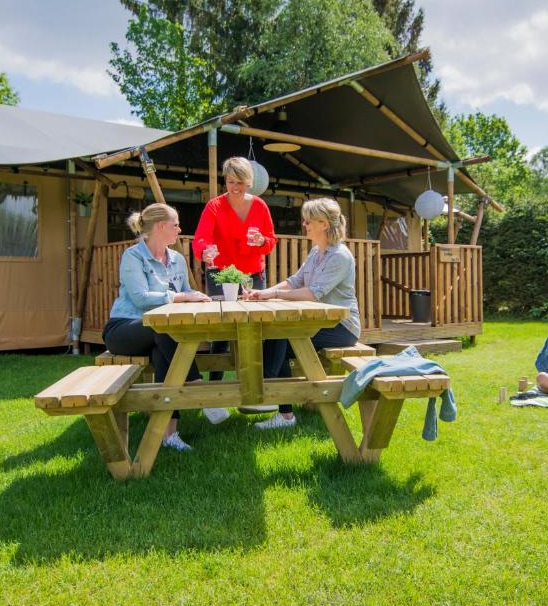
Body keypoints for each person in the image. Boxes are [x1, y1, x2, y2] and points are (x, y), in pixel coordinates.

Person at [101, 203, 225, 452]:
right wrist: (180, 298)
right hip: (124, 330)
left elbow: (185, 292)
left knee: (164, 355)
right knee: (163, 330)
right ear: (160, 227)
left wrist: (197, 296)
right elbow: (140, 298)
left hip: (160, 334)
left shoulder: (177, 259)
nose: (179, 229)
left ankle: (169, 434)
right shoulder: (133, 256)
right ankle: (199, 389)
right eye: (175, 224)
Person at [245, 197, 360, 429]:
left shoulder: (339, 256)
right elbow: (294, 281)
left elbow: (313, 293)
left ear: (324, 224)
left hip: (341, 327)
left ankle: (267, 394)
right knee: (276, 337)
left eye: (308, 221)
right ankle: (281, 409)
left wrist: (273, 296)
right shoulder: (316, 252)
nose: (304, 225)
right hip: (317, 322)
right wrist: (263, 292)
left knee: (281, 338)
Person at [192, 156, 277, 380]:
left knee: (255, 327)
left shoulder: (259, 205)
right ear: (225, 182)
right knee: (222, 330)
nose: (235, 187)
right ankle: (215, 388)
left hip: (253, 275)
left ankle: (257, 384)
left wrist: (261, 241)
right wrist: (204, 252)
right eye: (231, 182)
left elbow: (271, 241)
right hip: (221, 275)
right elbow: (200, 239)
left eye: (239, 182)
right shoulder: (215, 206)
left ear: (248, 182)